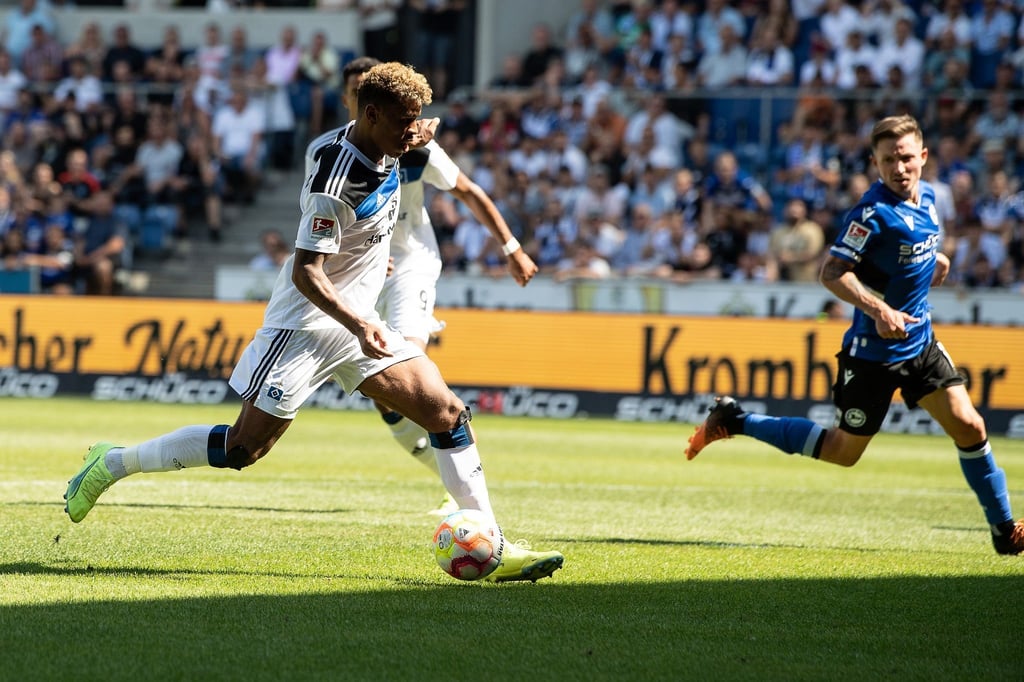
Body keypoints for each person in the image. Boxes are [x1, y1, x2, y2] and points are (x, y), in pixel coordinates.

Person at [63, 62, 563, 583]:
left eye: (415, 120)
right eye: (404, 121)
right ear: (372, 115)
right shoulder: (336, 181)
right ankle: (113, 462)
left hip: (357, 325)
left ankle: (494, 545)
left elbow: (405, 171)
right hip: (303, 328)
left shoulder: (390, 143)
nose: (411, 131)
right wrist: (359, 322)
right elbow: (307, 271)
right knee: (242, 448)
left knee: (447, 413)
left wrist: (413, 142)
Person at [684, 114, 1024, 556]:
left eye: (905, 158)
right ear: (874, 163)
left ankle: (1004, 530)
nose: (899, 168)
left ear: (923, 157)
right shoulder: (871, 213)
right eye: (888, 161)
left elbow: (904, 251)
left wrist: (935, 259)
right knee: (843, 451)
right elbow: (832, 272)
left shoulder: (927, 198)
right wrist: (879, 310)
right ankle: (735, 420)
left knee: (970, 425)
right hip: (872, 354)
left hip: (919, 342)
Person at [309, 56, 539, 515]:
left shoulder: (415, 147)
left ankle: (463, 477)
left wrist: (511, 246)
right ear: (350, 99)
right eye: (356, 92)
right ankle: (450, 474)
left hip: (410, 265)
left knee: (409, 368)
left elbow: (468, 191)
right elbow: (319, 219)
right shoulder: (325, 150)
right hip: (360, 275)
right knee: (384, 395)